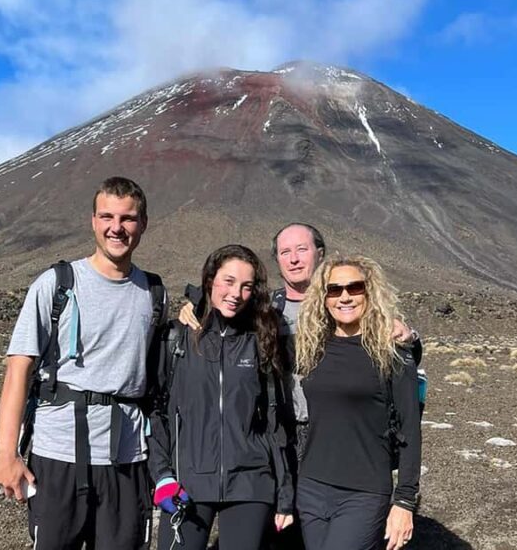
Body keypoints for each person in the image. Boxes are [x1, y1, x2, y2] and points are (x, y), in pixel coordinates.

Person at [179, 223, 419, 550]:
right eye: (284, 252)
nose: (293, 259)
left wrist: (409, 336)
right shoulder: (267, 310)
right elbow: (224, 320)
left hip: (348, 446)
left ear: (320, 254)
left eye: (302, 250)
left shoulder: (370, 331)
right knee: (281, 535)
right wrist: (193, 306)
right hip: (285, 437)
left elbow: (401, 392)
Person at [0, 176, 165, 550]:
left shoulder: (154, 294)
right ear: (93, 221)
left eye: (128, 218)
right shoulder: (56, 284)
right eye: (107, 216)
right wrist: (6, 453)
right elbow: (18, 370)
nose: (116, 227)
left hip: (127, 458)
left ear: (143, 223)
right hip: (57, 456)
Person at [147, 245, 294, 550]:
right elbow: (158, 412)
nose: (236, 293)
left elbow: (273, 424)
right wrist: (162, 476)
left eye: (246, 286)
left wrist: (284, 494)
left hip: (250, 484)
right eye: (228, 281)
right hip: (186, 483)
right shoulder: (178, 338)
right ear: (210, 279)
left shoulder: (261, 341)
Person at [295, 255, 421, 550]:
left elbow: (411, 431)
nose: (345, 297)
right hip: (311, 488)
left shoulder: (393, 353)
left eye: (355, 288)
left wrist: (404, 500)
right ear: (323, 298)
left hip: (363, 493)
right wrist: (194, 311)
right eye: (334, 290)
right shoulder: (311, 348)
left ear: (370, 292)